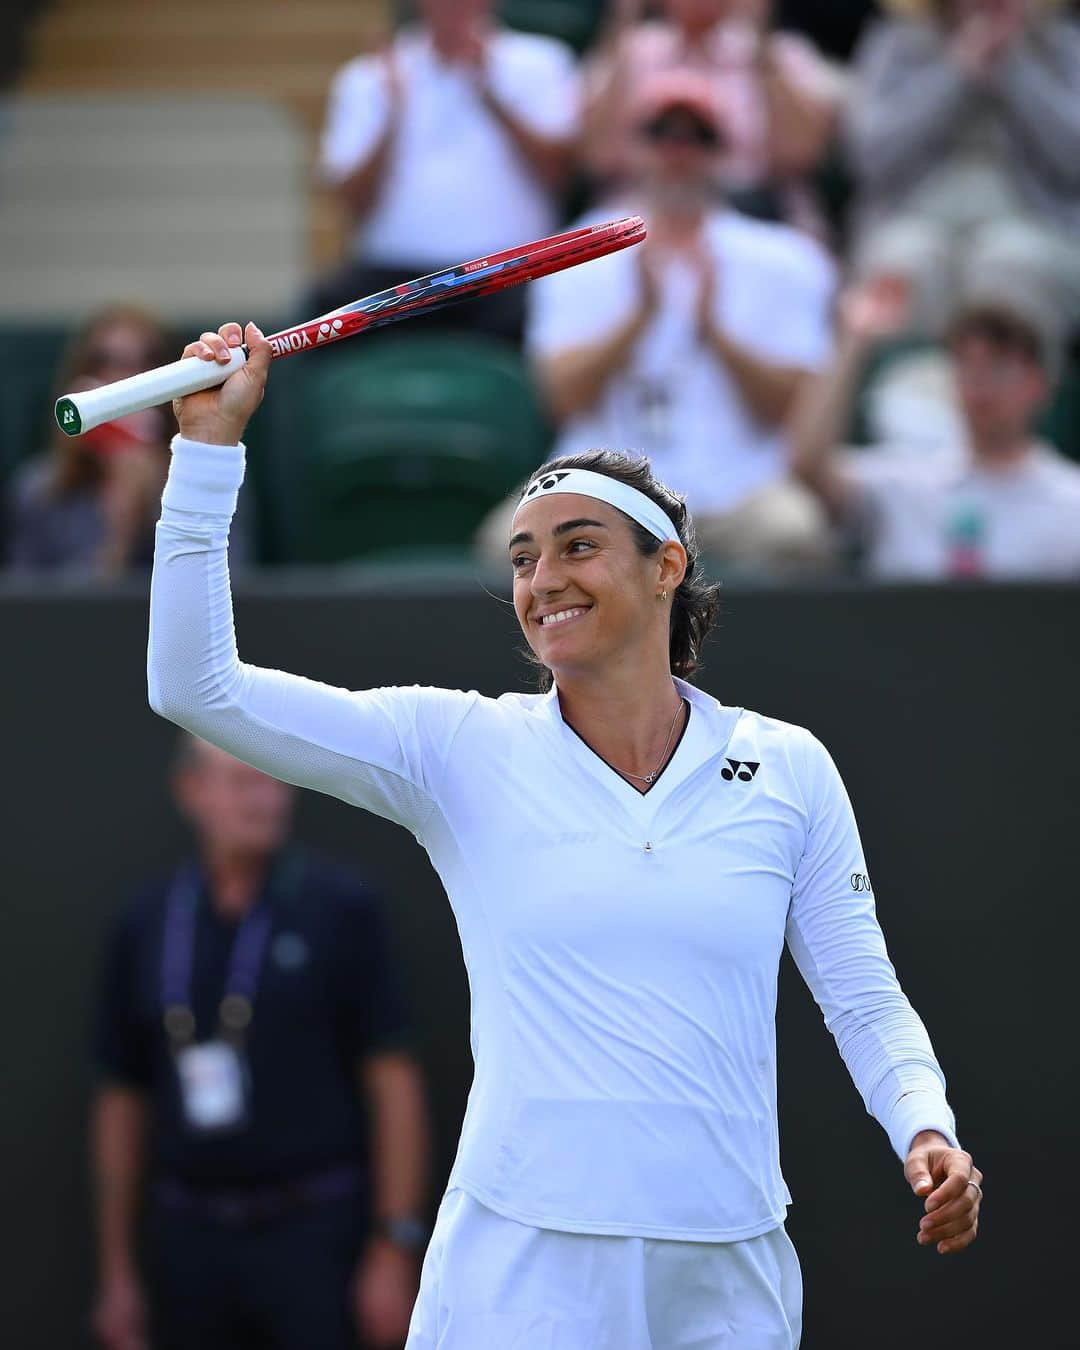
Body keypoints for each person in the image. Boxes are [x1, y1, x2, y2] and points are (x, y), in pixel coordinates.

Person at [144, 318, 984, 1348]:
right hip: (518, 1273)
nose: (545, 581)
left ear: (666, 565)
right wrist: (206, 450)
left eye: (579, 547)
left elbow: (863, 997)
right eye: (524, 559)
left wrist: (925, 1126)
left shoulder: (788, 766)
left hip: (726, 1276)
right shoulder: (455, 746)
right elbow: (197, 687)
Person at [91, 736, 429, 1350]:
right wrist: (118, 1271)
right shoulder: (146, 922)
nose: (264, 799)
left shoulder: (342, 909)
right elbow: (121, 1097)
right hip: (188, 1236)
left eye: (274, 778)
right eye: (242, 781)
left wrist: (394, 1246)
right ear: (191, 790)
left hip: (315, 1235)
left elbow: (394, 1080)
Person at [501, 68, 837, 572]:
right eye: (662, 135)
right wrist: (639, 318)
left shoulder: (786, 259)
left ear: (724, 151)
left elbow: (796, 409)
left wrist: (716, 332)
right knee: (501, 544)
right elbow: (560, 399)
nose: (678, 153)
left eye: (698, 137)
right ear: (635, 148)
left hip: (738, 489)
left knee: (794, 534)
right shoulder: (576, 253)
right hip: (602, 488)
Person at [310, 0, 580, 343]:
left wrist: (492, 93)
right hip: (393, 281)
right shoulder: (370, 74)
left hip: (512, 276)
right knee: (323, 313)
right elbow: (349, 202)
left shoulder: (542, 62)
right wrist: (392, 116)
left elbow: (562, 175)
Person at [789, 272, 1080, 578]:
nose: (980, 385)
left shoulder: (1072, 500)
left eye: (998, 367)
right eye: (968, 368)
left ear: (1038, 384)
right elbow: (808, 464)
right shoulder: (901, 484)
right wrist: (853, 340)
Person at [845, 0, 1080, 334]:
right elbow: (870, 156)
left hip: (1035, 223)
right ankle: (907, 383)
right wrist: (956, 72)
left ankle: (1008, 384)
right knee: (907, 262)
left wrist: (1013, 70)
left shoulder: (1063, 48)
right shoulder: (897, 45)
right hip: (911, 216)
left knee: (1011, 261)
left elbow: (1073, 157)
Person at [582, 0, 844, 233]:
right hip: (642, 210)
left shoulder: (781, 52)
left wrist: (761, 41)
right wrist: (623, 22)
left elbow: (801, 155)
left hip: (757, 213)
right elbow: (598, 159)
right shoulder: (631, 48)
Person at [6, 306, 175, 576]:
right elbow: (30, 604)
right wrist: (117, 538)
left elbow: (223, 592)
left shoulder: (205, 482)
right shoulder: (39, 487)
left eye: (145, 361)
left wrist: (153, 505)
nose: (126, 379)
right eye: (105, 361)